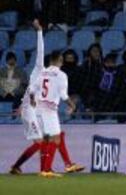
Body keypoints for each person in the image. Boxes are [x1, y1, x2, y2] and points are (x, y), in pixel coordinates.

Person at [9, 20, 84, 176]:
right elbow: (41, 51)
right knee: (43, 141)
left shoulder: (43, 73)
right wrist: (39, 32)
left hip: (35, 107)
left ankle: (50, 168)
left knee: (50, 138)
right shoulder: (40, 69)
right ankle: (44, 169)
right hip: (32, 110)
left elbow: (31, 91)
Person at [30, 51, 77, 178]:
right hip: (49, 110)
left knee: (46, 139)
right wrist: (72, 105)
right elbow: (63, 95)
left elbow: (32, 89)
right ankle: (47, 170)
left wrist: (32, 100)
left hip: (38, 109)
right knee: (56, 138)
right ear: (60, 60)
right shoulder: (61, 75)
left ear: (50, 60)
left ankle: (44, 169)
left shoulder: (42, 72)